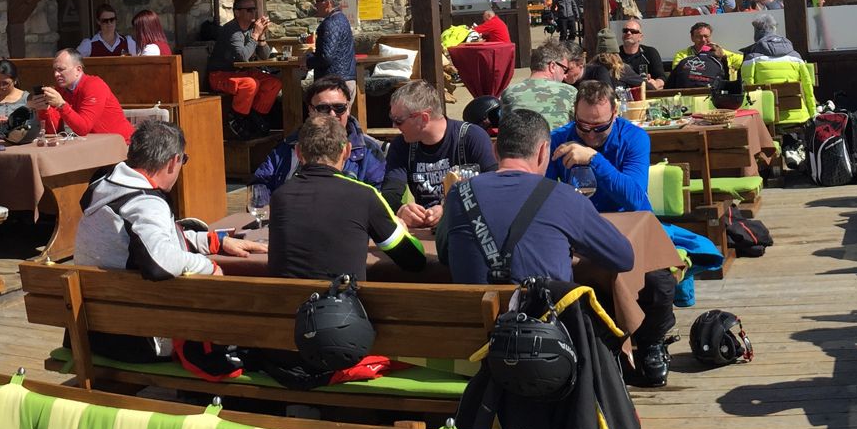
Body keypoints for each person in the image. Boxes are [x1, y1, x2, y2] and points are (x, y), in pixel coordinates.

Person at [547, 81, 682, 383]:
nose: (590, 135)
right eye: (583, 126)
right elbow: (541, 192)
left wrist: (594, 160)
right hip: (577, 235)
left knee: (659, 282)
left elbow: (636, 198)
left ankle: (651, 341)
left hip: (627, 231)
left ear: (615, 113)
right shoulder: (560, 139)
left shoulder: (633, 138)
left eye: (599, 127)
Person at [438, 110, 633, 285]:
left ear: (495, 150)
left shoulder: (458, 194)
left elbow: (445, 255)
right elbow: (623, 257)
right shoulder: (564, 197)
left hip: (475, 322)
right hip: (545, 321)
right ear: (542, 151)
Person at [74, 122, 262, 286]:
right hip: (136, 316)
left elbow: (144, 241)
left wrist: (215, 241)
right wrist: (209, 267)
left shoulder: (107, 188)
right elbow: (161, 263)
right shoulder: (144, 203)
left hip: (104, 307)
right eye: (183, 160)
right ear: (173, 162)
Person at [266, 116, 425, 282]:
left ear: (298, 152)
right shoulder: (364, 195)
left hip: (286, 305)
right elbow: (414, 260)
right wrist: (402, 230)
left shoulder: (280, 197)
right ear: (347, 151)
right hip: (342, 304)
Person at [379, 79, 497, 231]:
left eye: (399, 120)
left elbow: (495, 187)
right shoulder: (402, 145)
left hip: (467, 229)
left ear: (424, 118)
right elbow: (389, 193)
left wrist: (451, 209)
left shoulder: (471, 137)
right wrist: (400, 209)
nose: (394, 126)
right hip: (425, 232)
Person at [251, 77, 387, 194]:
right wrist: (267, 209)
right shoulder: (288, 146)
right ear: (310, 110)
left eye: (339, 107)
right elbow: (260, 183)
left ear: (348, 108)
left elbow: (380, 194)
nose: (332, 114)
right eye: (323, 108)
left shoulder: (368, 150)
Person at [206, 0, 280, 137]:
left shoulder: (251, 29)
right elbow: (243, 57)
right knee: (250, 84)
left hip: (242, 72)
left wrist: (261, 37)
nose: (253, 13)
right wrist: (255, 35)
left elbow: (265, 57)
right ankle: (237, 122)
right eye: (249, 10)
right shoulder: (232, 30)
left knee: (273, 83)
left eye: (254, 9)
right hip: (221, 75)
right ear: (237, 13)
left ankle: (256, 118)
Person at [34, 49, 134, 141]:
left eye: (61, 69)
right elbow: (54, 131)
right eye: (55, 70)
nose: (56, 74)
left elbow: (83, 128)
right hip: (94, 146)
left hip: (121, 146)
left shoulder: (94, 85)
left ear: (78, 69)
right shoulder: (62, 90)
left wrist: (61, 105)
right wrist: (44, 109)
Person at [501, 42, 580, 126]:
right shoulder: (570, 92)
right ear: (552, 66)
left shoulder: (509, 92)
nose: (565, 76)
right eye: (565, 70)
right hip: (558, 139)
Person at [306, 0, 357, 84]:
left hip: (334, 83)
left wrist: (308, 61)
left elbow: (326, 58)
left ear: (328, 3)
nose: (315, 5)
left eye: (318, 1)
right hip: (343, 78)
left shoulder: (331, 23)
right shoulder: (341, 18)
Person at [666, 22, 731, 90]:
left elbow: (740, 59)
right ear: (692, 38)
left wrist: (722, 56)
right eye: (699, 36)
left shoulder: (720, 51)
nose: (703, 40)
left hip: (711, 93)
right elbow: (679, 77)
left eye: (706, 36)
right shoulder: (682, 55)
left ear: (710, 37)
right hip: (686, 92)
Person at [614, 19, 667, 92]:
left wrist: (656, 83)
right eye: (625, 30)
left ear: (640, 37)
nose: (628, 33)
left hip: (645, 94)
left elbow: (661, 77)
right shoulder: (615, 55)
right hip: (623, 95)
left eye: (633, 31)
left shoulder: (650, 52)